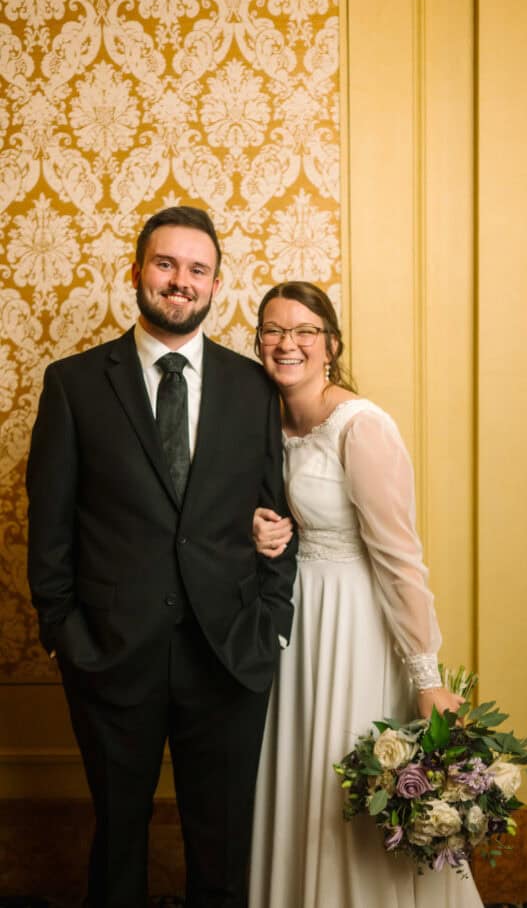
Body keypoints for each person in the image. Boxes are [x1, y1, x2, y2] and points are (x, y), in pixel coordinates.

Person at [26, 206, 298, 908]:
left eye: (197, 269)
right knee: (119, 836)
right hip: (111, 656)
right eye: (166, 264)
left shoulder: (252, 387)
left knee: (222, 842)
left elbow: (277, 513)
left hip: (230, 652)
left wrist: (271, 617)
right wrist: (67, 634)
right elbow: (49, 526)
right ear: (138, 270)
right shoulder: (75, 384)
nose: (181, 281)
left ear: (216, 285)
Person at [248, 281, 484, 907]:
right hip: (293, 623)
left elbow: (400, 557)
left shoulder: (361, 426)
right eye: (273, 330)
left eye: (303, 331)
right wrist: (258, 528)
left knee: (346, 787)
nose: (287, 343)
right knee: (301, 780)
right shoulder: (263, 422)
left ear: (330, 344)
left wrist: (426, 676)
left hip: (354, 624)